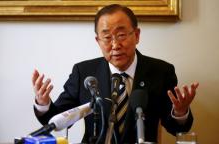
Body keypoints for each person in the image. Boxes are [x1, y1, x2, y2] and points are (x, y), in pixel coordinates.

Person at [32, 4, 199, 143]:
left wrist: (180, 112)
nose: (115, 45)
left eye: (121, 35)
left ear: (137, 35)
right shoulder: (84, 72)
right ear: (98, 41)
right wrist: (43, 103)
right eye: (107, 37)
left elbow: (178, 128)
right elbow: (58, 120)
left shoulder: (161, 72)